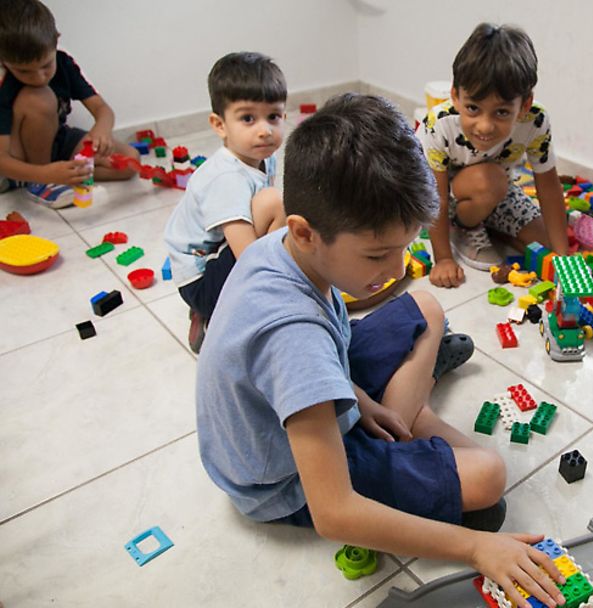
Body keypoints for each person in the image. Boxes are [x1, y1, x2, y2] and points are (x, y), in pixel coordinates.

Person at [196, 93, 566, 608]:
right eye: (376, 253)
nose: (394, 268)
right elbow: (335, 514)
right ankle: (413, 410)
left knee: (427, 306)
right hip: (286, 483)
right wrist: (475, 548)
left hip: (323, 378)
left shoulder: (283, 244)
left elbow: (307, 360)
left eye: (403, 247)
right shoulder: (291, 337)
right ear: (305, 231)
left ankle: (401, 409)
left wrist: (360, 399)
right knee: (488, 475)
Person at [417, 23, 568, 288]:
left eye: (501, 112)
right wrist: (443, 259)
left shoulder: (535, 121)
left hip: (499, 192)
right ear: (455, 95)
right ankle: (463, 227)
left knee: (544, 245)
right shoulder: (438, 124)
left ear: (525, 105)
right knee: (490, 181)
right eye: (473, 108)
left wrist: (563, 257)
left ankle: (489, 224)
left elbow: (549, 187)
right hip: (448, 198)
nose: (485, 126)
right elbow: (435, 195)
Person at [163, 52, 287, 354]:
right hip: (201, 283)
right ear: (219, 125)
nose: (264, 129)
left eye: (273, 116)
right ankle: (217, 314)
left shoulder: (260, 157)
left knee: (279, 206)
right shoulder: (225, 178)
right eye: (248, 118)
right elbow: (248, 254)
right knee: (276, 203)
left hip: (216, 262)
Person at [0, 0, 138, 208]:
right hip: (19, 155)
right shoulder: (4, 85)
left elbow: (102, 110)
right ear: (3, 61)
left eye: (46, 65)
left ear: (56, 42)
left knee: (129, 162)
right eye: (24, 71)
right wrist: (44, 173)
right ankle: (37, 181)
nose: (38, 77)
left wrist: (101, 131)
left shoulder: (64, 63)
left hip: (58, 140)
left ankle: (62, 174)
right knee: (40, 97)